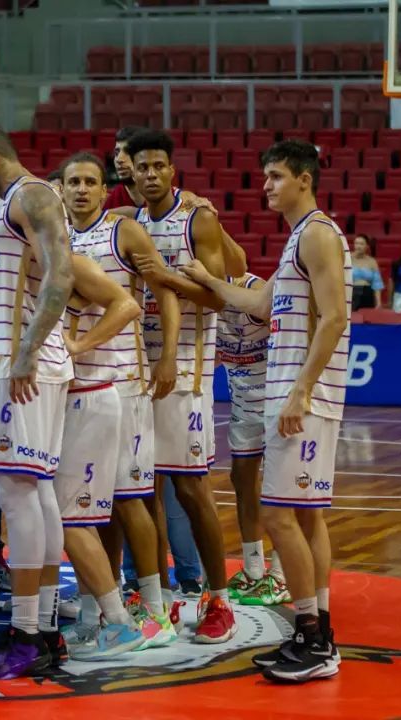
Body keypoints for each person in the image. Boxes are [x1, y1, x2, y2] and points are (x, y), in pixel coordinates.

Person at [181, 139, 351, 683]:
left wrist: (301, 390)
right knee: (305, 515)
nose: (267, 186)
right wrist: (208, 281)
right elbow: (258, 303)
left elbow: (334, 318)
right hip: (300, 397)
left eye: (276, 176)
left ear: (304, 178)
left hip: (301, 398)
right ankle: (318, 628)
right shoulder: (300, 239)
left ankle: (312, 637)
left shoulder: (319, 234)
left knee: (278, 513)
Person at [0, 123, 74, 680]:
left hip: (21, 366)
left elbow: (62, 275)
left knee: (17, 495)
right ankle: (45, 632)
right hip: (28, 365)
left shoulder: (31, 195)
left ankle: (25, 636)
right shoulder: (19, 202)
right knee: (37, 494)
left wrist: (25, 351)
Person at [58, 152, 181, 657]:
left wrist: (167, 355)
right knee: (92, 508)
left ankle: (155, 606)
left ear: (105, 188)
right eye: (73, 182)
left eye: (90, 181)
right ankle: (96, 612)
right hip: (72, 384)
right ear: (60, 189)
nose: (82, 189)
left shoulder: (123, 232)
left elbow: (165, 292)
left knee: (130, 500)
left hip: (125, 380)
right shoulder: (57, 238)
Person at [126, 129, 237, 644]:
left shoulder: (199, 219)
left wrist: (165, 277)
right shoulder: (128, 224)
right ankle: (160, 596)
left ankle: (220, 599)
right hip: (137, 373)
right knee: (143, 490)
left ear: (173, 171)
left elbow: (219, 297)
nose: (150, 174)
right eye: (141, 166)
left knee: (192, 491)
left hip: (187, 375)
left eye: (158, 166)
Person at [217, 272, 290, 606]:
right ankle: (253, 569)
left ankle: (281, 576)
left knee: (280, 494)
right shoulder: (202, 300)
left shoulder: (252, 288)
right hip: (243, 406)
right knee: (242, 482)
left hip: (278, 404)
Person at [103, 127, 145, 211]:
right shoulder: (114, 198)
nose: (119, 159)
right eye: (116, 153)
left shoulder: (167, 198)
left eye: (128, 152)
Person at [349, 235, 383, 311]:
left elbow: (377, 284)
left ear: (367, 246)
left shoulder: (372, 261)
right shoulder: (347, 259)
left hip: (367, 293)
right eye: (356, 243)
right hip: (351, 293)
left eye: (361, 244)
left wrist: (378, 302)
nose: (358, 246)